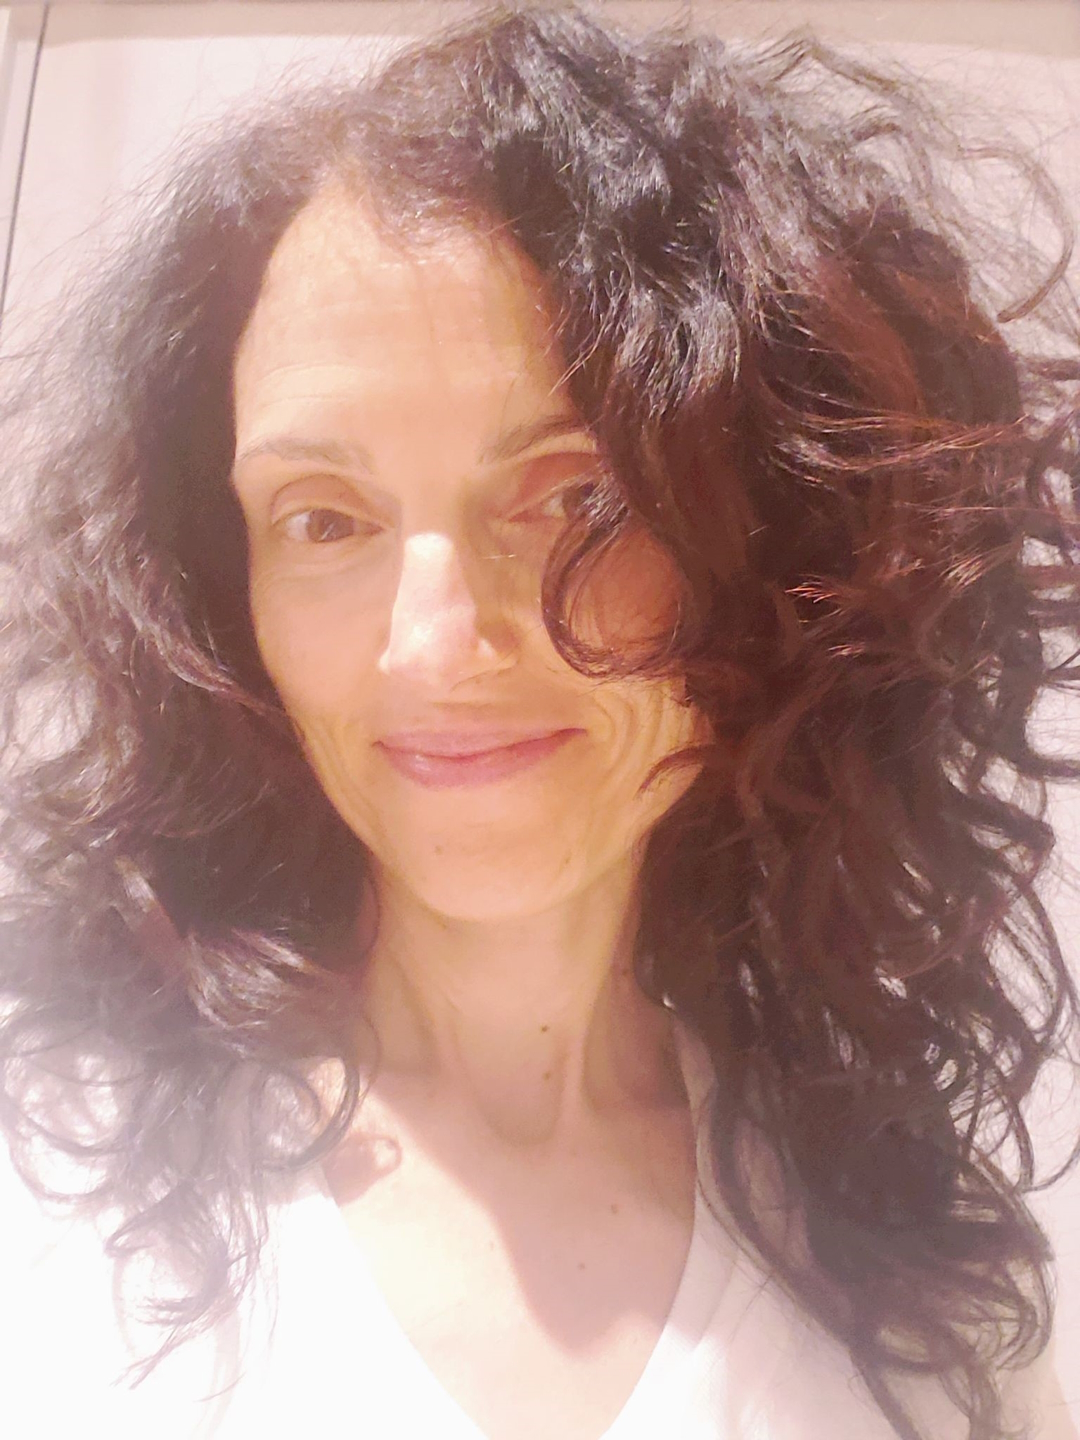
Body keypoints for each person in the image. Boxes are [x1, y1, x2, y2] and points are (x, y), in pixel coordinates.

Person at [1, 3, 1078, 1437]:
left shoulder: (923, 1289)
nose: (430, 647)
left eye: (581, 500)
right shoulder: (37, 1195)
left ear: (778, 548)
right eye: (323, 519)